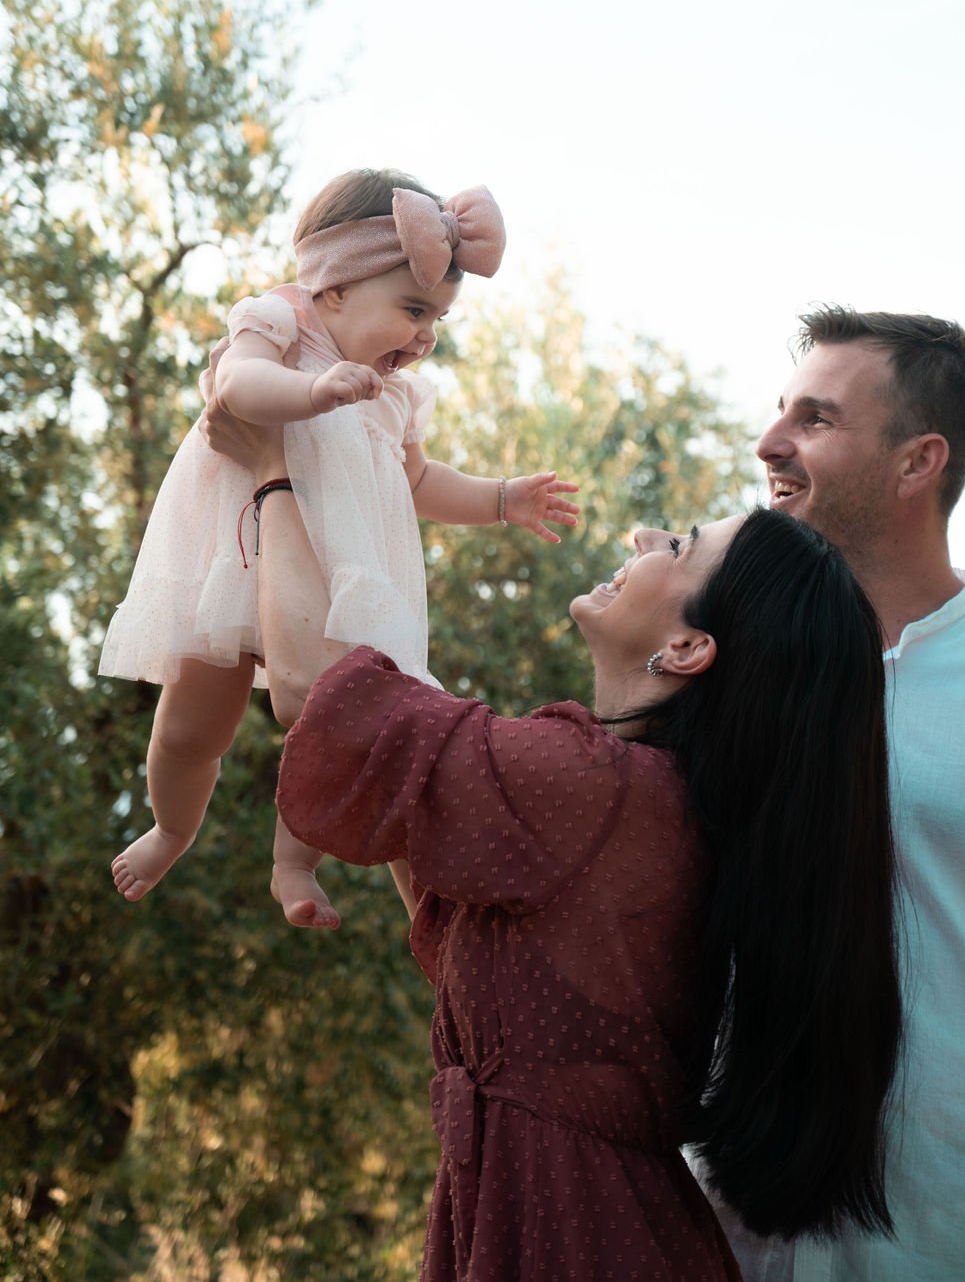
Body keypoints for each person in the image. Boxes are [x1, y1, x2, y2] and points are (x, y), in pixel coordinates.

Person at [214, 406, 903, 1282]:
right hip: (582, 1222)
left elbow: (311, 684)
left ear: (689, 647)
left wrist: (275, 468)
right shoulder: (650, 803)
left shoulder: (595, 786)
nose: (647, 535)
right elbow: (452, 907)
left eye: (681, 547)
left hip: (569, 1231)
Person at [101, 169, 579, 929]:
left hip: (340, 582)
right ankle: (171, 827)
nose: (424, 336)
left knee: (333, 724)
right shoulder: (282, 320)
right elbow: (237, 385)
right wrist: (311, 394)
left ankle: (294, 864)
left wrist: (498, 497)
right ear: (332, 291)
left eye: (439, 319)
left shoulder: (391, 392)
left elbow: (418, 479)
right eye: (413, 308)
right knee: (193, 726)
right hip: (236, 555)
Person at [706, 306, 965, 1281]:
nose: (769, 444)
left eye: (816, 419)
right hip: (725, 1236)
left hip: (961, 1232)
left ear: (915, 462)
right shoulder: (714, 669)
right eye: (777, 413)